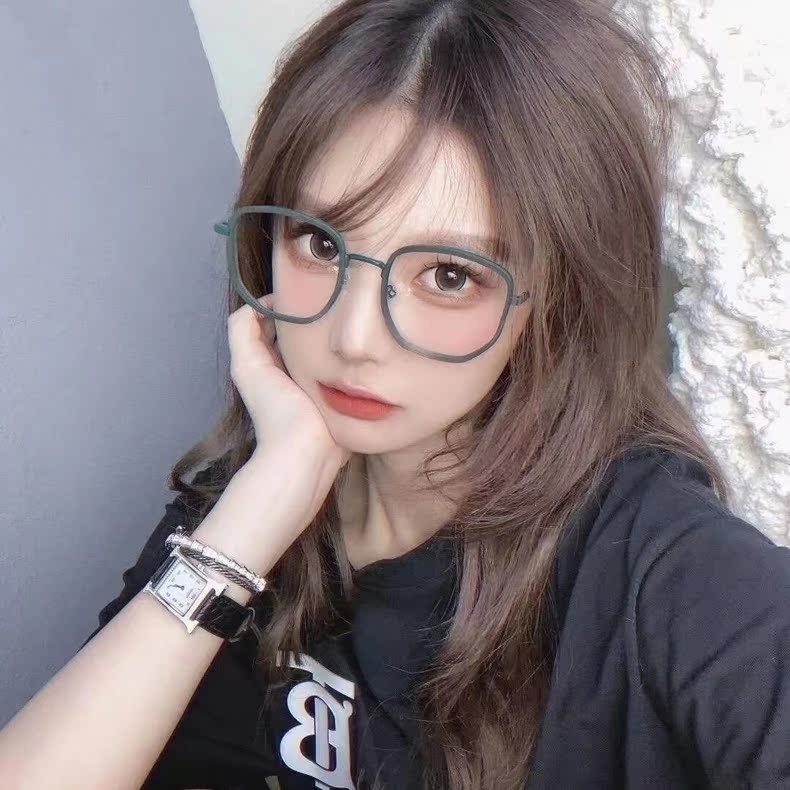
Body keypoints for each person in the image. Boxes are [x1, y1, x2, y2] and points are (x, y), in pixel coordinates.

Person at [2, 0, 789, 788]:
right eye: (320, 243)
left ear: (556, 297)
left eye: (449, 276)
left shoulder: (668, 573)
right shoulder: (253, 502)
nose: (354, 338)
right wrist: (258, 513)